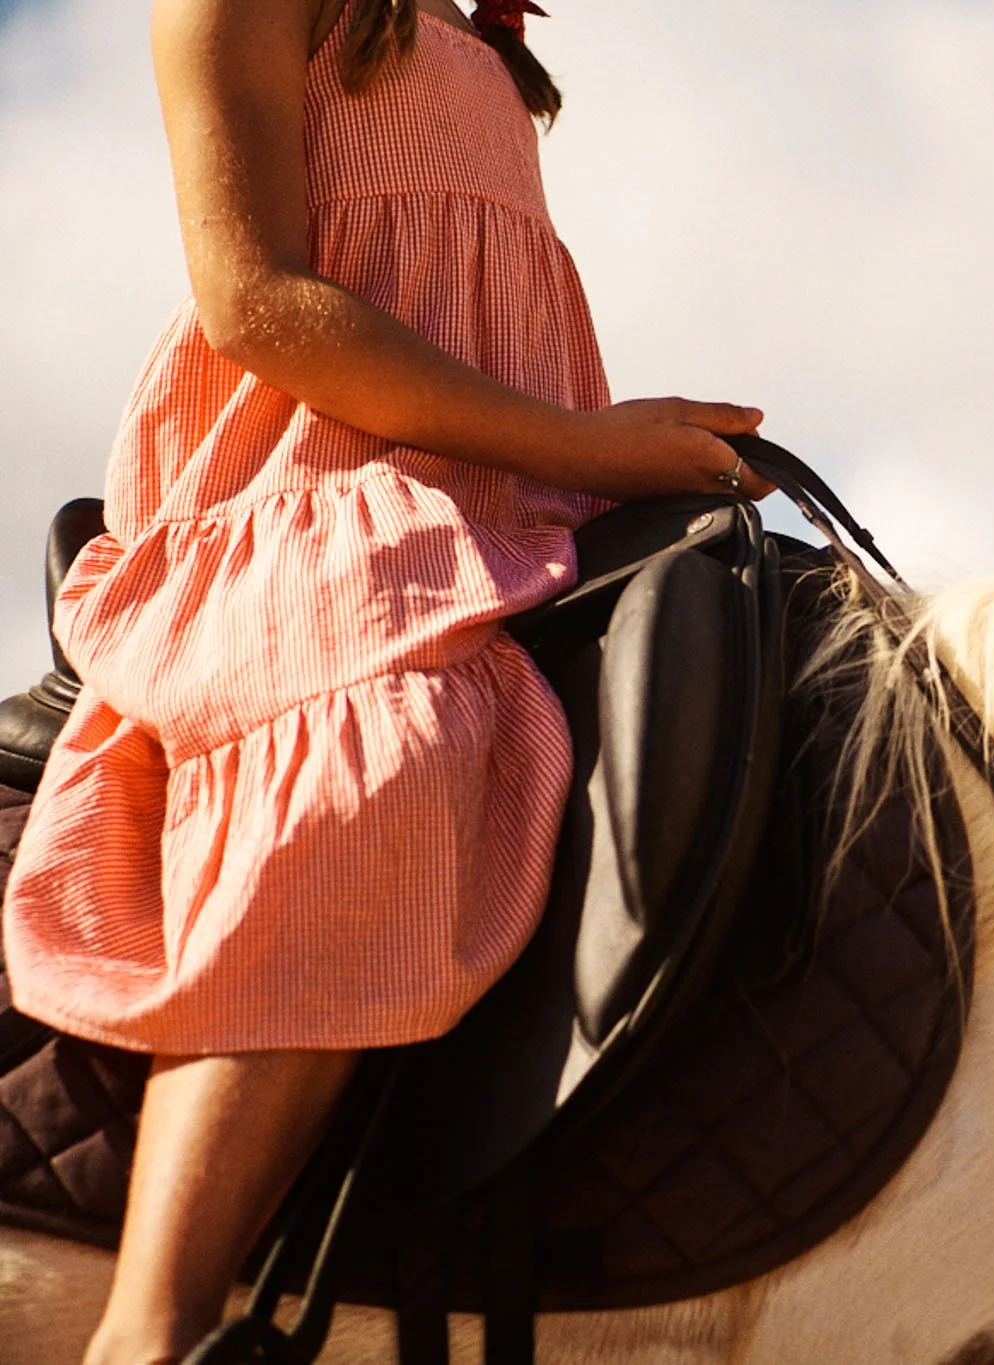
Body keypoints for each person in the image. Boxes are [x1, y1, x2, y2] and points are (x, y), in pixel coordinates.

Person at [0, 1, 769, 1359]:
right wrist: (588, 445)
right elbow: (258, 304)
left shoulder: (470, 34)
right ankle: (153, 1325)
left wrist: (600, 453)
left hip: (513, 486)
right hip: (309, 479)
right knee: (376, 750)